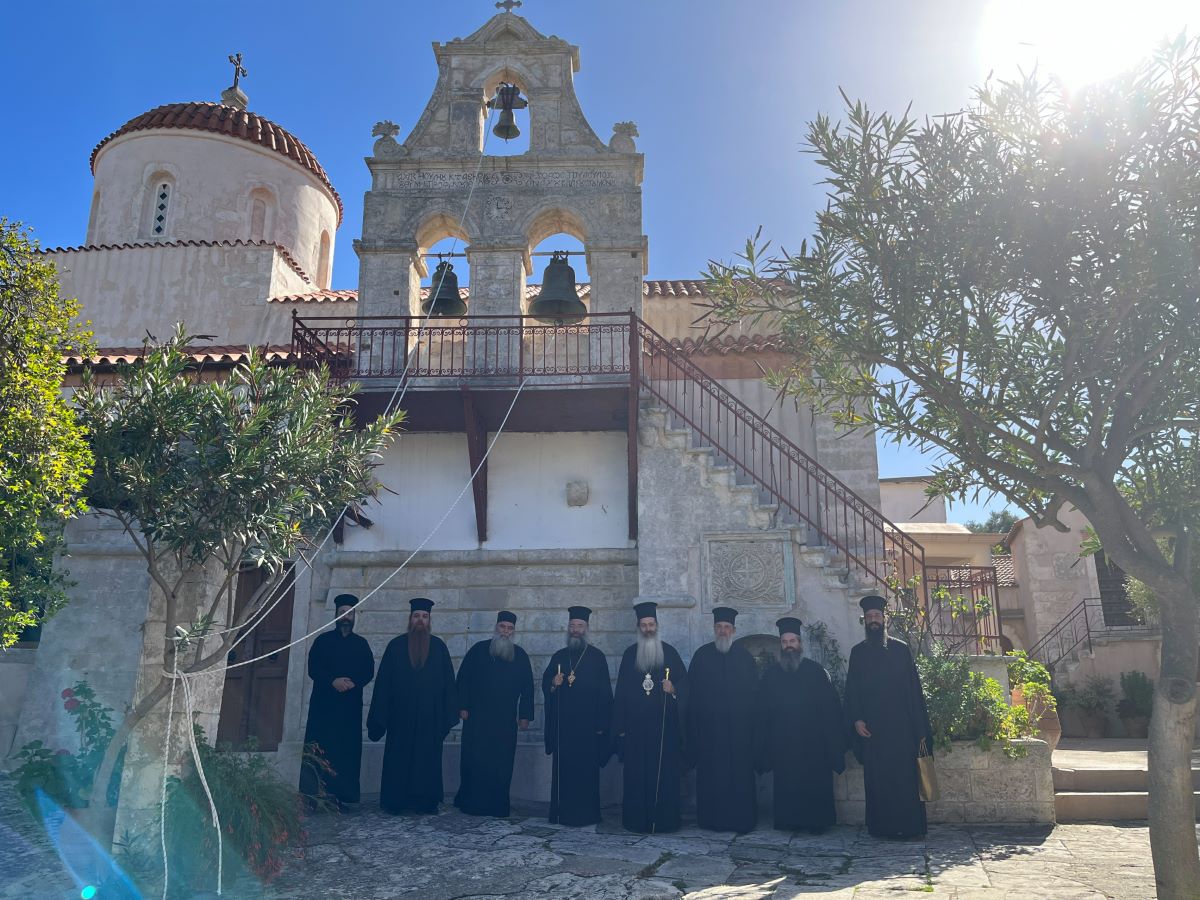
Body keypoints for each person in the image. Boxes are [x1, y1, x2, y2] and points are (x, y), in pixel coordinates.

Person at [843, 595, 934, 839]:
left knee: (905, 779)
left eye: (877, 616)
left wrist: (919, 729)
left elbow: (913, 691)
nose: (873, 620)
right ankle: (881, 828)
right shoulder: (858, 653)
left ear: (885, 619)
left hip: (901, 730)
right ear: (865, 620)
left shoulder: (901, 650)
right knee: (878, 781)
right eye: (869, 617)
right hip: (873, 732)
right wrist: (857, 719)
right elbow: (852, 690)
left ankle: (910, 828)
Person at [366, 597, 458, 814]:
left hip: (430, 720)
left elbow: (449, 685)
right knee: (399, 759)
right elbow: (383, 685)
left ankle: (425, 802)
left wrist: (446, 716)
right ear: (410, 619)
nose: (420, 620)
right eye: (417, 616)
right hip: (400, 719)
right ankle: (395, 802)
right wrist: (381, 717)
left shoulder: (439, 647)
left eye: (425, 617)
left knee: (427, 761)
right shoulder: (395, 646)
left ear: (429, 620)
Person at [755, 616, 846, 833]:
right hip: (784, 745)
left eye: (792, 641)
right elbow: (762, 714)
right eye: (785, 642)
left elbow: (831, 711)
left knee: (814, 784)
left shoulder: (816, 672)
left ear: (800, 643)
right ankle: (789, 822)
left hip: (814, 745)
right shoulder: (771, 676)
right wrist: (765, 746)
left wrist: (833, 745)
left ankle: (817, 823)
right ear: (781, 645)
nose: (789, 646)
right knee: (788, 785)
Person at [611, 601, 688, 834]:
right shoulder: (630, 655)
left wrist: (673, 689)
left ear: (657, 626)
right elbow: (621, 693)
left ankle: (665, 821)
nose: (648, 629)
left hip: (664, 731)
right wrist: (620, 728)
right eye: (643, 625)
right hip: (636, 731)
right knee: (636, 776)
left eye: (651, 624)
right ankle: (636, 821)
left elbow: (687, 686)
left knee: (664, 778)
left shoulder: (670, 653)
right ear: (638, 627)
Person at [454, 611, 535, 817]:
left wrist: (524, 715)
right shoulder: (478, 650)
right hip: (477, 719)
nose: (506, 632)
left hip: (505, 721)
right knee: (474, 760)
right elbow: (463, 679)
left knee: (502, 764)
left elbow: (528, 687)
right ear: (496, 627)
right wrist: (462, 706)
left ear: (513, 631)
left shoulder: (520, 655)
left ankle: (497, 806)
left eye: (510, 628)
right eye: (502, 627)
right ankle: (471, 803)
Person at [685, 607, 759, 833]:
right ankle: (712, 821)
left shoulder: (745, 658)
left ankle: (741, 821)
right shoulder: (701, 656)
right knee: (712, 777)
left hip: (739, 735)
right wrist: (695, 730)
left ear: (733, 630)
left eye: (727, 627)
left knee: (739, 778)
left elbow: (755, 697)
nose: (723, 631)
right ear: (714, 629)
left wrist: (751, 730)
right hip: (710, 735)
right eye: (719, 627)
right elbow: (691, 696)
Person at [299, 596, 376, 809]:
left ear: (354, 617)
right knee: (320, 749)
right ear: (336, 615)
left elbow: (368, 670)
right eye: (342, 613)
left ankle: (343, 797)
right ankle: (313, 798)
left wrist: (352, 683)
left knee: (346, 753)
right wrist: (333, 681)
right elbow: (314, 668)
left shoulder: (361, 644)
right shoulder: (322, 642)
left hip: (349, 709)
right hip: (323, 708)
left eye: (350, 613)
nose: (346, 617)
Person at [542, 606, 613, 826]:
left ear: (586, 629)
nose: (575, 630)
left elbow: (605, 694)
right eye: (572, 626)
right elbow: (546, 685)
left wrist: (602, 724)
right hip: (564, 728)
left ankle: (587, 815)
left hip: (588, 729)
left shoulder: (597, 657)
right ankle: (561, 814)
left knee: (586, 773)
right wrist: (553, 684)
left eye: (579, 626)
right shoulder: (559, 656)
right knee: (564, 773)